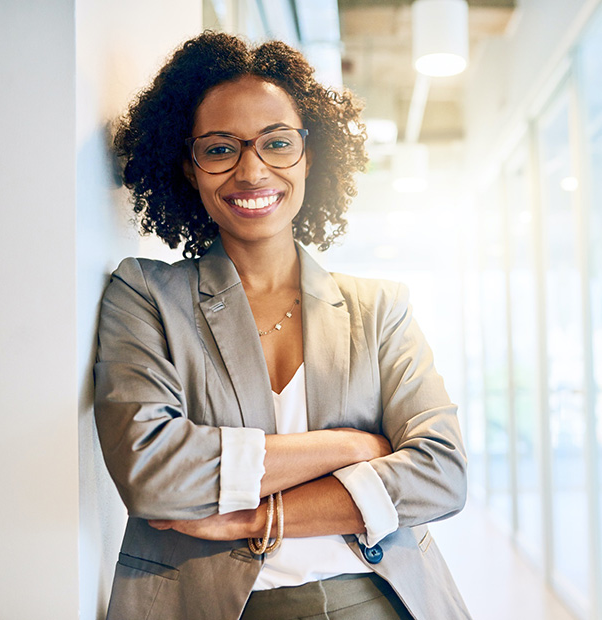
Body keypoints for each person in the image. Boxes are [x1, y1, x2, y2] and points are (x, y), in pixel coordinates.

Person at [94, 30, 470, 620]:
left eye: (276, 143)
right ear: (189, 168)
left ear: (309, 154)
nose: (251, 170)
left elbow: (442, 473)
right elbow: (153, 474)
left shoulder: (379, 309)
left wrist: (255, 518)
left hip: (379, 598)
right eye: (220, 149)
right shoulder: (146, 295)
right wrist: (350, 447)